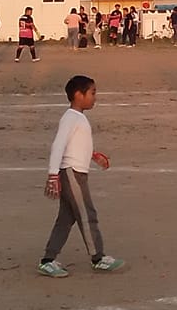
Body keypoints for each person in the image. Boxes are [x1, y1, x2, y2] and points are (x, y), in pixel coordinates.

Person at [39, 75, 126, 276]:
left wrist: (93, 155)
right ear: (78, 95)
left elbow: (75, 145)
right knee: (88, 215)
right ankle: (98, 257)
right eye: (92, 93)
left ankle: (48, 260)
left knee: (65, 219)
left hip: (75, 173)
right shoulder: (71, 117)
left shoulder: (78, 118)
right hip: (72, 174)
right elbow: (58, 145)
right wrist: (53, 174)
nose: (95, 98)